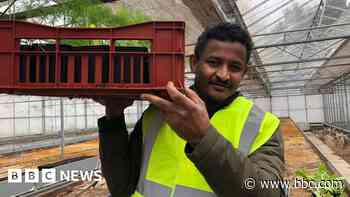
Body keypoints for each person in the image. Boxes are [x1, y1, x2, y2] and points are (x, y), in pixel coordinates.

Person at [97, 23, 285, 197]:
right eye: (213, 62)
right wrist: (113, 117)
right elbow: (121, 186)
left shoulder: (262, 126)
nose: (223, 75)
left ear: (244, 73)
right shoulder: (159, 111)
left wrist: (203, 138)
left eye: (235, 67)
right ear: (194, 63)